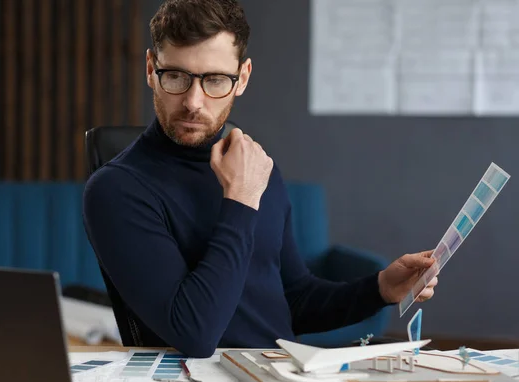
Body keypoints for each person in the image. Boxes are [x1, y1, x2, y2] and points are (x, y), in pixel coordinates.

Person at [82, 0, 438, 358]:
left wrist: (379, 290)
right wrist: (239, 200)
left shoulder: (253, 167)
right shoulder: (117, 189)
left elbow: (292, 300)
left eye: (215, 80)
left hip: (280, 379)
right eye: (176, 76)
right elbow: (194, 334)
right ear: (150, 69)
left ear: (243, 77)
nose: (193, 101)